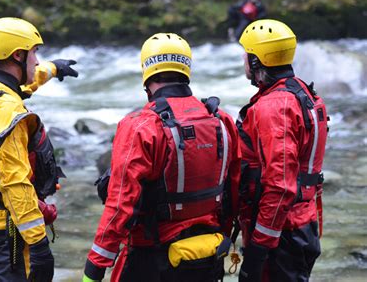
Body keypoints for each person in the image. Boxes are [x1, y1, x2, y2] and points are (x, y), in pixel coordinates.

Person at [83, 33, 241, 282]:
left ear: (147, 74)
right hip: (208, 255)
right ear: (186, 68)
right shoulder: (221, 120)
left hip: (153, 259)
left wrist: (94, 267)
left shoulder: (140, 125)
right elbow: (234, 191)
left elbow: (120, 204)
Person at [0, 17, 78, 281]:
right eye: (34, 54)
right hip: (6, 235)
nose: (37, 62)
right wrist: (40, 244)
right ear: (18, 55)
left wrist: (54, 69)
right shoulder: (5, 111)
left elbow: (19, 86)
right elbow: (15, 183)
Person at [236, 19, 328, 282]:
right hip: (301, 223)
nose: (243, 59)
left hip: (282, 233)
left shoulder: (275, 107)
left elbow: (280, 186)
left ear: (256, 61)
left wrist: (258, 252)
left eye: (246, 54)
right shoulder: (306, 95)